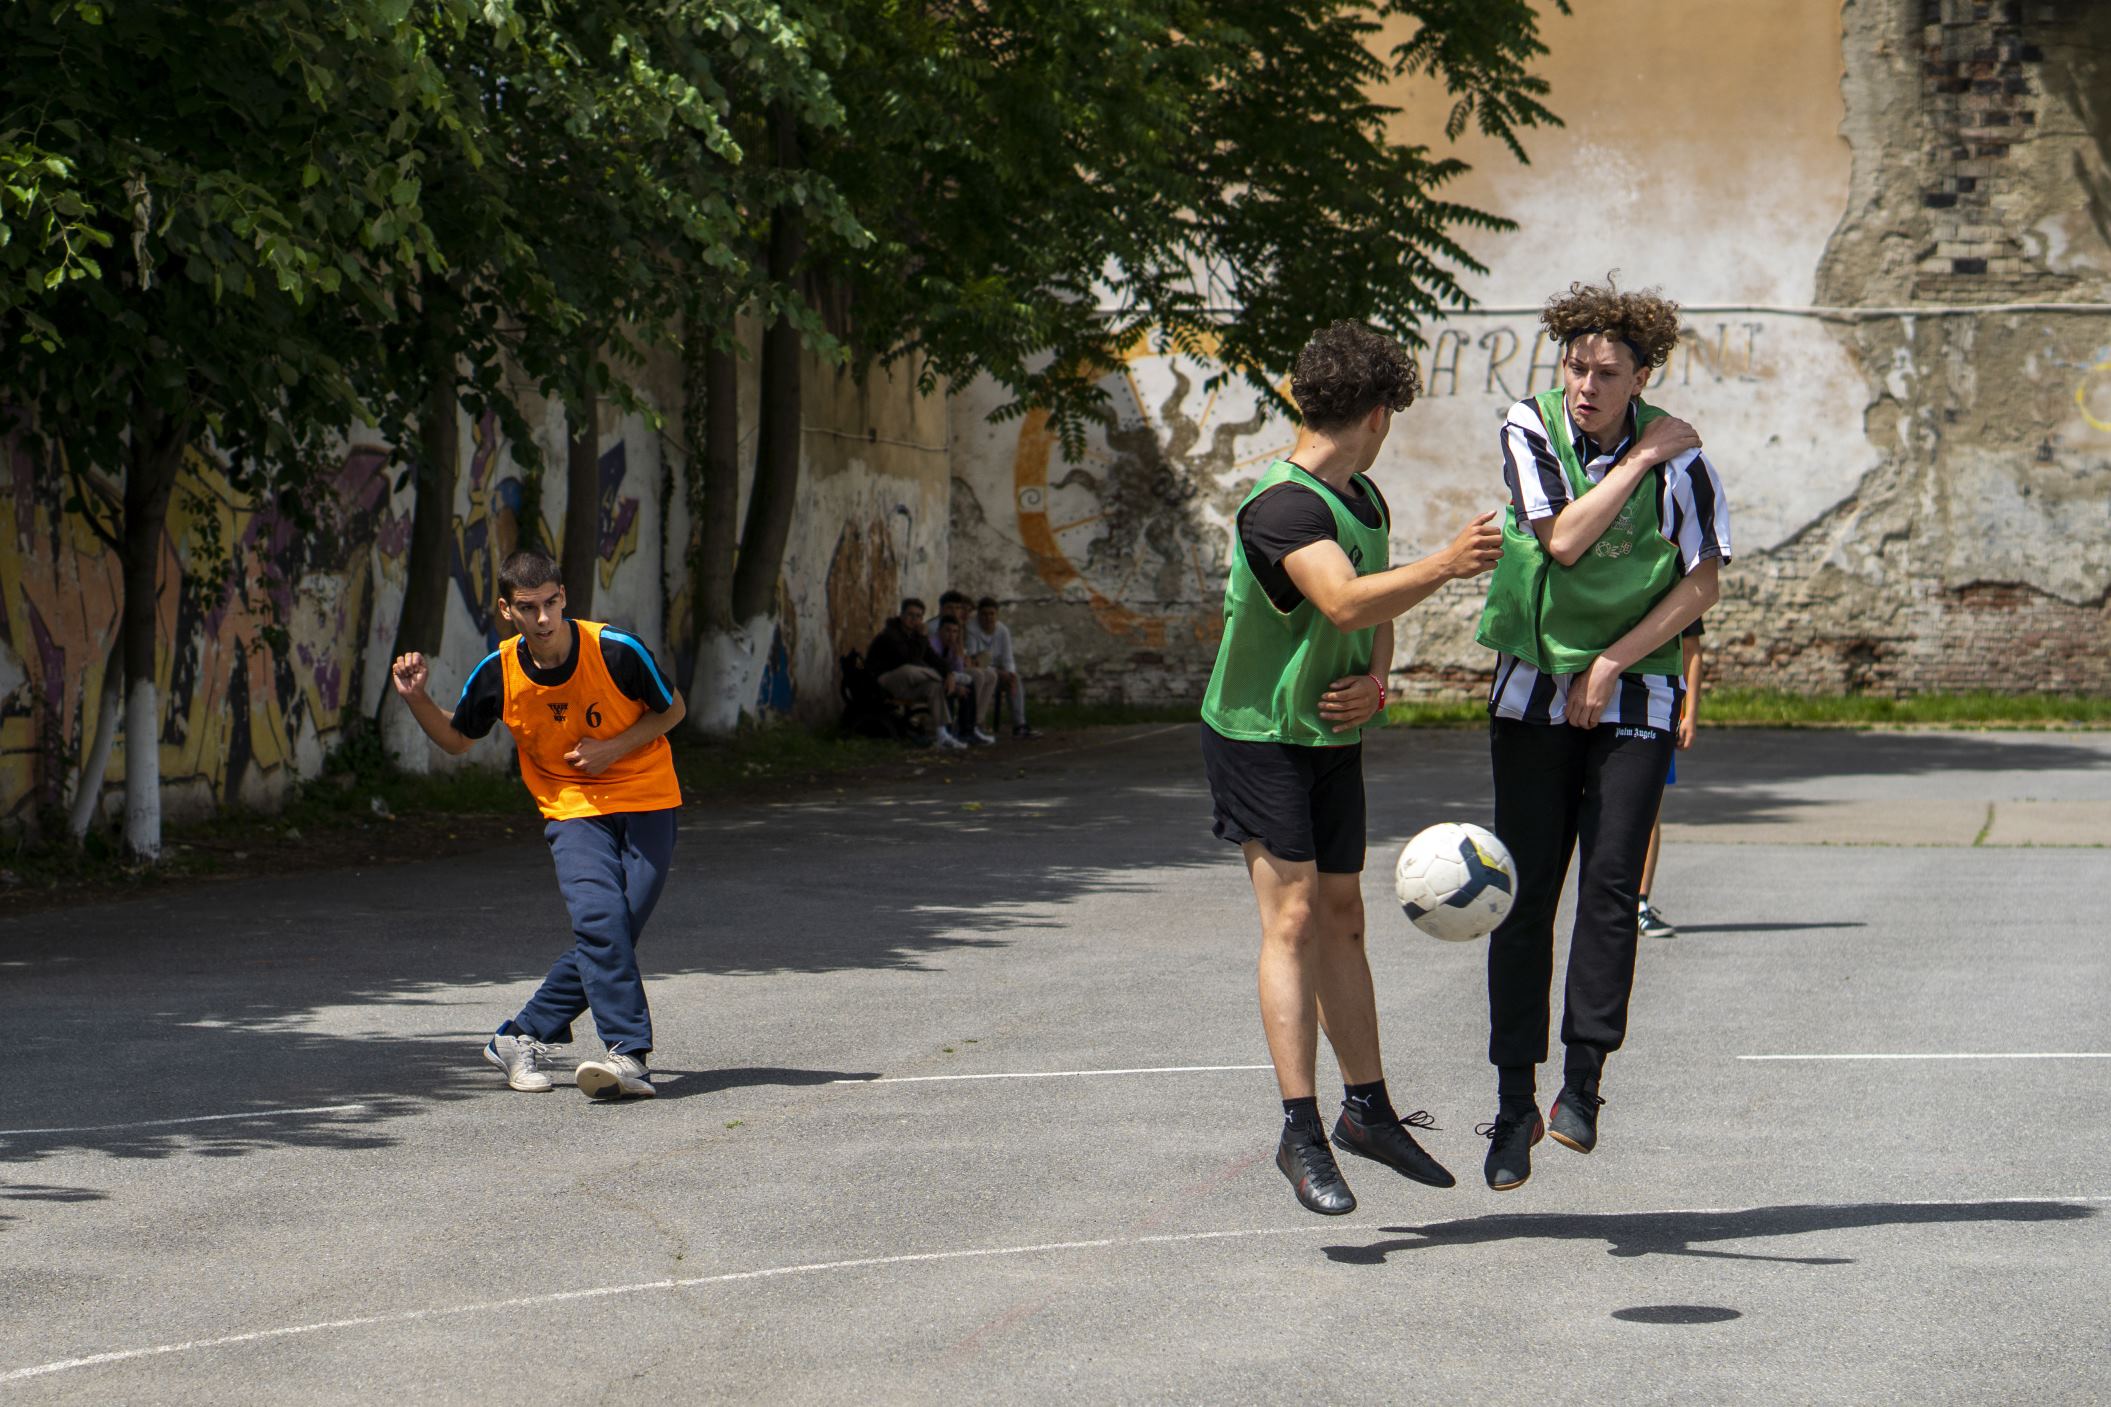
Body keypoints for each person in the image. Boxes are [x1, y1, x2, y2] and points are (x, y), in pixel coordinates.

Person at [1200, 320, 1504, 1216]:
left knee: (1343, 915)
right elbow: (1340, 597)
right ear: (1378, 414)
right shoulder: (1281, 507)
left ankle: (1366, 1109)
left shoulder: (1362, 497)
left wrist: (1377, 682)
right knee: (1293, 916)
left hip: (1329, 735)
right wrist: (1447, 563)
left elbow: (1374, 608)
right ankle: (1299, 1131)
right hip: (1258, 734)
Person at [1472, 278, 1732, 1191]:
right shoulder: (1531, 425)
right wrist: (1639, 456)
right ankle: (1513, 1102)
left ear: (1641, 376)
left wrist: (1614, 661)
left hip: (1635, 688)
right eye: (1575, 366)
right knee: (1522, 895)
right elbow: (1563, 540)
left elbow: (1702, 583)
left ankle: (1580, 1083)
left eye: (1607, 372)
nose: (1585, 385)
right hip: (1532, 688)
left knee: (1612, 887)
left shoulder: (1686, 468)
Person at [390, 549, 684, 1101]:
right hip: (571, 808)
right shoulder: (498, 672)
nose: (544, 618)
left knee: (615, 931)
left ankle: (519, 1034)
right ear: (507, 610)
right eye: (528, 607)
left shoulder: (616, 650)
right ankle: (629, 1054)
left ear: (564, 597)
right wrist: (418, 699)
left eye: (551, 602)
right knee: (600, 921)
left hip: (648, 798)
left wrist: (612, 748)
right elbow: (456, 740)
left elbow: (673, 710)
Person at [1637, 618, 1706, 940]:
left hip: (1654, 708)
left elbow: (1691, 650)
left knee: (1648, 810)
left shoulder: (1675, 587)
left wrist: (1689, 715)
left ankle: (1639, 903)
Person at [867, 598, 964, 750]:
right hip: (883, 681)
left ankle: (942, 735)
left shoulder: (915, 635)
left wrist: (949, 673)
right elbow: (909, 660)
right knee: (908, 669)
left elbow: (933, 658)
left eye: (918, 616)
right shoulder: (890, 634)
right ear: (901, 615)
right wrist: (922, 637)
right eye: (910, 615)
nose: (914, 620)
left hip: (905, 686)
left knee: (934, 687)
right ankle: (952, 680)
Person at [967, 596, 1039, 738]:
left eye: (991, 614)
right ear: (978, 615)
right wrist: (999, 672)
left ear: (997, 615)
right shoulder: (971, 629)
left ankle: (1020, 725)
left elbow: (1008, 659)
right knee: (984, 675)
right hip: (980, 673)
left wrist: (1010, 675)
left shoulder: (1002, 631)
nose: (988, 618)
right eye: (984, 614)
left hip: (997, 673)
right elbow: (974, 660)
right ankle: (977, 723)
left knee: (1015, 679)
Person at [934, 614, 997, 744]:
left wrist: (958, 653)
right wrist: (956, 685)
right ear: (940, 631)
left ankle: (971, 727)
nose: (951, 635)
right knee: (971, 679)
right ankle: (959, 728)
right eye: (947, 631)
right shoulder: (934, 644)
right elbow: (938, 671)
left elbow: (958, 670)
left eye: (955, 632)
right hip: (936, 679)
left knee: (972, 681)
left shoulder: (952, 646)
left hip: (950, 676)